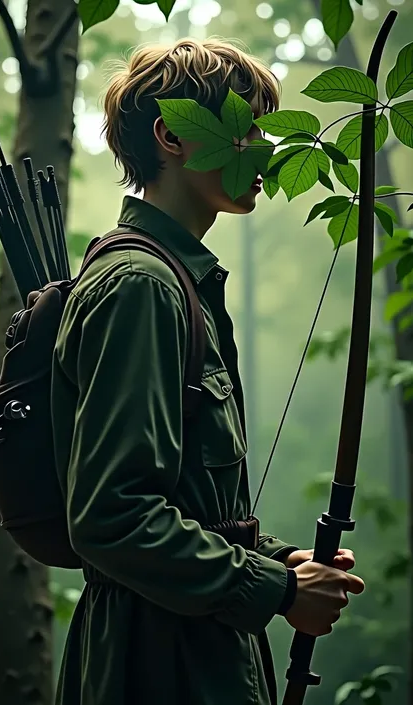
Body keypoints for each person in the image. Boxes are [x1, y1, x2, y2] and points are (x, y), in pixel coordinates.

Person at [50, 38, 365, 705]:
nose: (265, 148)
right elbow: (112, 514)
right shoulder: (141, 287)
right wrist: (275, 591)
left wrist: (282, 563)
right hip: (154, 664)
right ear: (174, 135)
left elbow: (190, 501)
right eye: (246, 129)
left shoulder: (177, 283)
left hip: (194, 649)